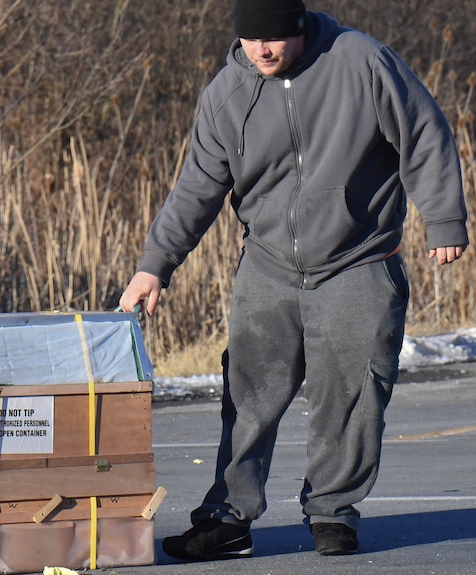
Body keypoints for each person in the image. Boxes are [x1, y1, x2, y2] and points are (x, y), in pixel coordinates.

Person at [118, 0, 468, 561]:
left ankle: (332, 511)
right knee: (247, 398)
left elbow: (424, 134)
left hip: (358, 259)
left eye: (274, 40)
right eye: (251, 42)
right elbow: (197, 188)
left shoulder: (361, 62)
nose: (262, 52)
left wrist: (444, 218)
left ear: (300, 27)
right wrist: (155, 264)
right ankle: (228, 517)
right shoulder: (227, 94)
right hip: (269, 266)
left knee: (349, 395)